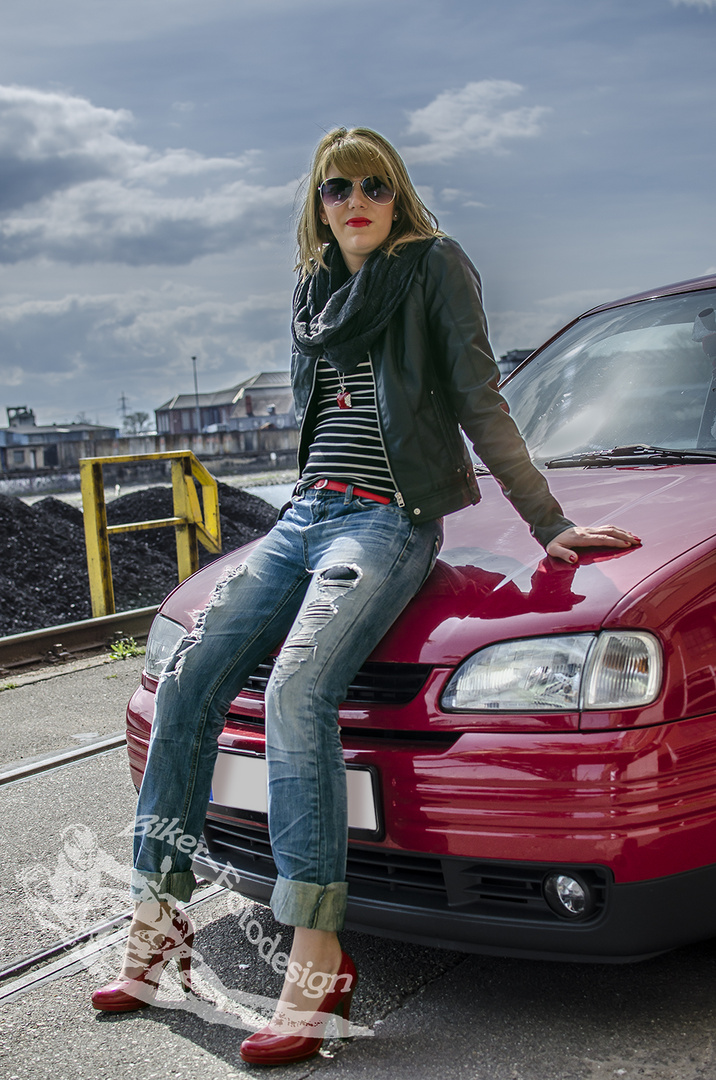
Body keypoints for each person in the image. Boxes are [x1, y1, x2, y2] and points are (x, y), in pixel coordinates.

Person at [91, 127, 639, 1064]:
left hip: (385, 521)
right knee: (187, 683)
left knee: (303, 689)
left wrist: (549, 524)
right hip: (305, 514)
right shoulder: (312, 295)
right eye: (338, 185)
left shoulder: (431, 267)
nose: (356, 199)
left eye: (374, 185)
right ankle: (159, 921)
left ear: (398, 195)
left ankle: (316, 961)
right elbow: (315, 428)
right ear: (318, 201)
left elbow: (480, 400)